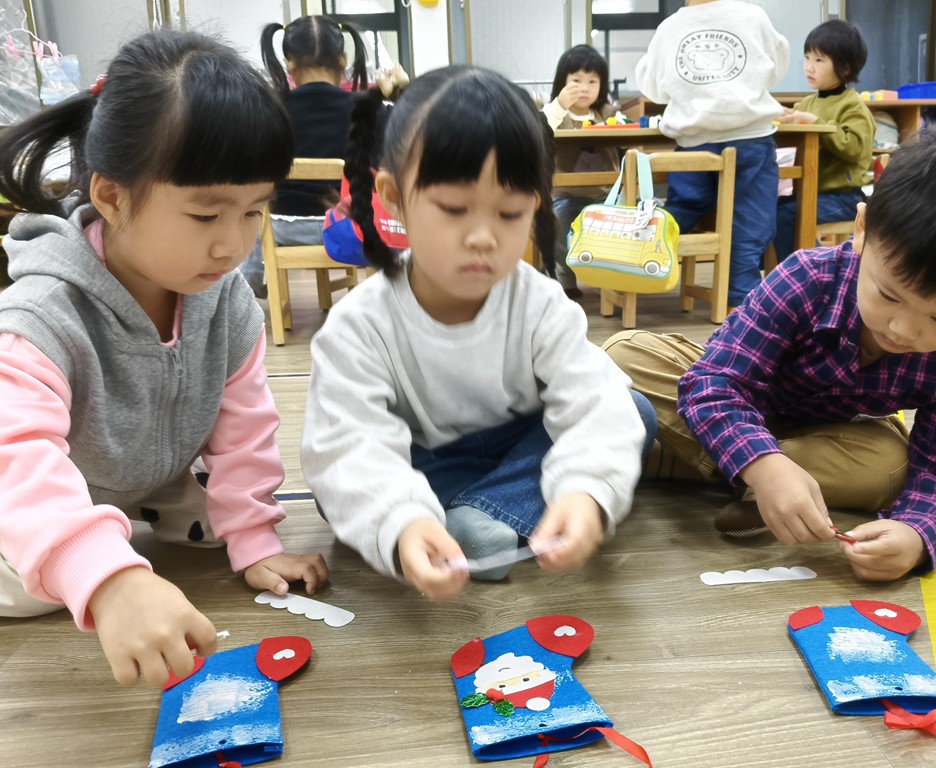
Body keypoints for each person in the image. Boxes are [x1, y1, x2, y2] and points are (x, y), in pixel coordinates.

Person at [0, 30, 328, 687]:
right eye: (206, 216)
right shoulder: (41, 316)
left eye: (253, 212)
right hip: (35, 499)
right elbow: (17, 454)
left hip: (146, 486)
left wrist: (256, 539)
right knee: (34, 584)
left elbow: (244, 429)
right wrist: (109, 580)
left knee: (219, 529)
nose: (232, 245)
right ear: (113, 197)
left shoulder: (225, 300)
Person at [602, 124, 936, 582]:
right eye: (888, 295)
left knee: (890, 464)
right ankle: (757, 479)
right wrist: (765, 466)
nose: (903, 330)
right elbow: (713, 382)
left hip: (821, 440)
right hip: (743, 405)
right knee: (625, 353)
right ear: (862, 230)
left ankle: (679, 460)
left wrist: (917, 535)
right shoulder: (808, 278)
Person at [300, 66, 657, 601]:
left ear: (534, 205)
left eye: (510, 213)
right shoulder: (359, 324)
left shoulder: (540, 303)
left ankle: (479, 514)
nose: (484, 237)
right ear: (393, 197)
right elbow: (348, 442)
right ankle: (457, 518)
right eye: (454, 209)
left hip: (519, 451)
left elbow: (594, 406)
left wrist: (584, 491)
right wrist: (400, 519)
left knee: (634, 411)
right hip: (423, 462)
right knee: (342, 483)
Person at [635, 0, 789, 310]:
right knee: (749, 224)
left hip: (694, 143)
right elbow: (777, 66)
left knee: (682, 209)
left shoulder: (669, 28)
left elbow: (652, 86)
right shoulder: (753, 15)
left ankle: (636, 254)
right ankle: (741, 304)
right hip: (750, 138)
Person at [241, 15, 371, 297]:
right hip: (348, 225)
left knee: (247, 207)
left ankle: (247, 289)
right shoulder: (365, 109)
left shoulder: (271, 108)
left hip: (282, 228)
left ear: (290, 64)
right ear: (343, 61)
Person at [774, 19, 874, 262]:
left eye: (819, 60)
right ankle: (796, 268)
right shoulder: (807, 103)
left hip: (845, 196)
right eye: (807, 57)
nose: (809, 66)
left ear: (845, 68)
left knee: (789, 215)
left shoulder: (852, 105)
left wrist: (816, 122)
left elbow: (855, 149)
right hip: (808, 191)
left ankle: (814, 268)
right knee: (767, 210)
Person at [541, 44, 620, 299]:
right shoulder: (557, 113)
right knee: (559, 223)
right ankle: (564, 276)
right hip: (566, 194)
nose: (584, 87)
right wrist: (559, 105)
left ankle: (616, 277)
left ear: (602, 85)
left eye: (592, 81)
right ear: (562, 83)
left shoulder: (607, 114)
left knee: (634, 216)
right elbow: (539, 127)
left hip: (607, 195)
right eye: (576, 80)